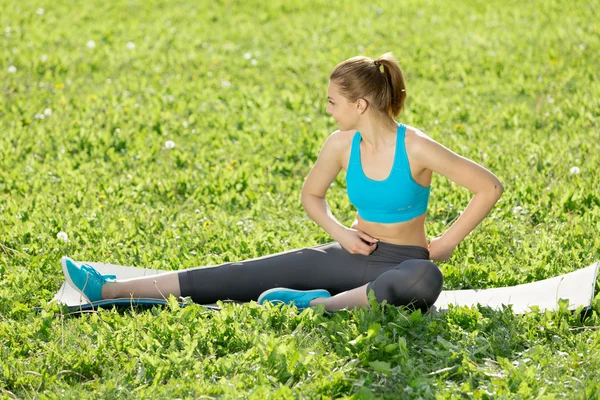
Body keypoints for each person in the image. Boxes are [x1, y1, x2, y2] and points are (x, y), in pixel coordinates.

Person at [61, 52, 504, 313]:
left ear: (362, 104)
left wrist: (444, 243)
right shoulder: (339, 144)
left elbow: (489, 186)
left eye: (334, 102)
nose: (329, 109)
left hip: (403, 261)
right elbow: (311, 196)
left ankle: (314, 306)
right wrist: (343, 235)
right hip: (351, 255)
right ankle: (113, 289)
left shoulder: (417, 147)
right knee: (244, 274)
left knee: (425, 279)